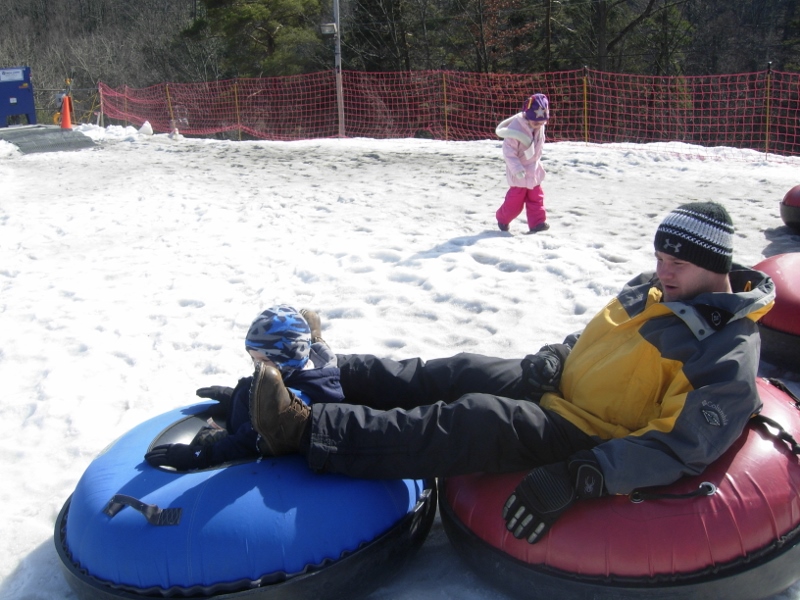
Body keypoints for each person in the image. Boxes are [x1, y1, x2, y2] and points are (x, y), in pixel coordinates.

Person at [246, 201, 776, 545]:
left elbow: (681, 446)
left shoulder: (728, 352)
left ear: (715, 266)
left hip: (591, 430)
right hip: (561, 385)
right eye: (659, 257)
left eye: (676, 264)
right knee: (458, 370)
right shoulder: (655, 287)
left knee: (474, 420)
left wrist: (581, 475)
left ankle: (302, 430)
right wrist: (558, 354)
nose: (662, 271)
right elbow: (596, 337)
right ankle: (327, 371)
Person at [144, 305, 343, 470]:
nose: (257, 367)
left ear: (287, 360)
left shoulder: (298, 399)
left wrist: (199, 456)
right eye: (253, 360)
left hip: (260, 446)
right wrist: (234, 398)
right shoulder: (296, 371)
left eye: (263, 360)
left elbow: (252, 438)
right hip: (247, 428)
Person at [495, 93, 550, 234]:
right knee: (515, 203)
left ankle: (538, 224)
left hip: (534, 171)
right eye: (536, 122)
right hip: (519, 173)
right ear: (527, 115)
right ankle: (503, 218)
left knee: (536, 199)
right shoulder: (515, 130)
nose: (539, 125)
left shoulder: (540, 126)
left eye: (542, 122)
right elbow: (509, 152)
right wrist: (517, 169)